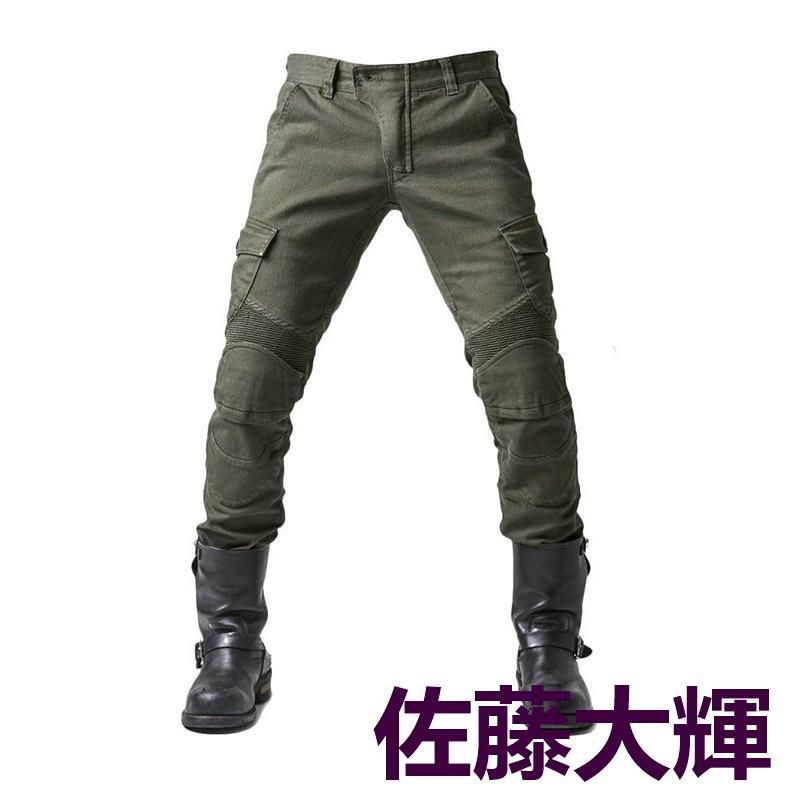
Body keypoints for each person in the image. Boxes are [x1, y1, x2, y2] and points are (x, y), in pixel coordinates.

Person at [181, 50, 593, 734]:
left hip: (463, 112)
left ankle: (548, 639)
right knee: (251, 382)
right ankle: (231, 641)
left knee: (526, 380)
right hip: (320, 113)